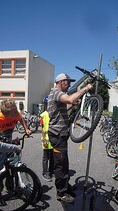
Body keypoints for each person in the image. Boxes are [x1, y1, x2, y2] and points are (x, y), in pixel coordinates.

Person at [47, 73, 93, 203]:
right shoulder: (56, 92)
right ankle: (61, 193)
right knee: (60, 164)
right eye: (67, 82)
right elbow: (69, 99)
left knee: (64, 162)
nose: (69, 85)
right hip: (57, 135)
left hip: (61, 134)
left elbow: (63, 107)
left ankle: (66, 187)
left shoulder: (57, 95)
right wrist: (85, 89)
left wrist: (72, 105)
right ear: (61, 82)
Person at [40, 96, 54, 182]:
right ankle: (45, 172)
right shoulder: (43, 115)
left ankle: (51, 171)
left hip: (54, 139)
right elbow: (42, 128)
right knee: (46, 157)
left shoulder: (54, 113)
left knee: (52, 157)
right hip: (46, 139)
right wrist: (44, 139)